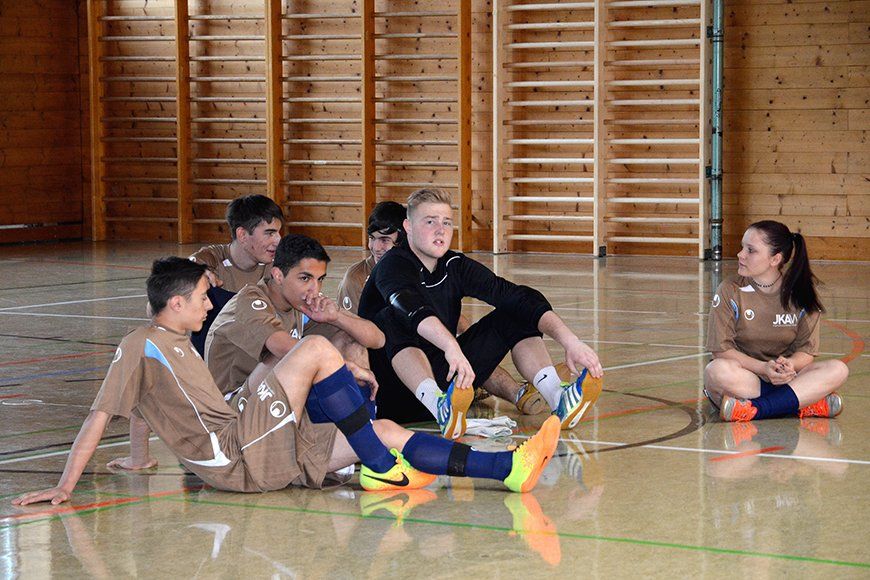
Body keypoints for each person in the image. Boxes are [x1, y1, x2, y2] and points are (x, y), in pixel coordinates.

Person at [12, 258, 561, 507]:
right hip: (234, 453)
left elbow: (140, 409)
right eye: (202, 297)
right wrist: (65, 486)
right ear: (175, 303)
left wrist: (138, 459)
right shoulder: (141, 343)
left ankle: (506, 468)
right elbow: (101, 413)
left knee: (387, 428)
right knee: (316, 351)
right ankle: (380, 468)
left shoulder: (171, 343)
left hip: (253, 444)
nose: (208, 304)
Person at [358, 188, 604, 439]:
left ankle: (557, 396)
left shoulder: (453, 265)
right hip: (392, 395)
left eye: (446, 222)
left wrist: (570, 341)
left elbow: (517, 296)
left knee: (516, 310)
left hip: (448, 383)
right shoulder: (392, 265)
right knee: (391, 317)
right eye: (430, 222)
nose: (440, 230)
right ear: (408, 227)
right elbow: (410, 308)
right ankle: (438, 405)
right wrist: (451, 345)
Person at [338, 201, 547, 416]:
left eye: (384, 240)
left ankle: (518, 392)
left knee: (476, 335)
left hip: (433, 361)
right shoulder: (357, 278)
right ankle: (444, 397)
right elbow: (354, 341)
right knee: (394, 320)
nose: (375, 247)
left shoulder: (427, 267)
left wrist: (472, 350)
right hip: (390, 373)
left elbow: (455, 322)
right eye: (372, 238)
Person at [205, 234, 385, 399]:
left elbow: (378, 340)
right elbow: (283, 349)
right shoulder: (249, 301)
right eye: (305, 278)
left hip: (271, 399)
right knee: (294, 354)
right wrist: (348, 368)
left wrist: (336, 316)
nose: (315, 289)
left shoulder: (301, 301)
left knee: (349, 338)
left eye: (320, 279)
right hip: (231, 407)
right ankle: (352, 420)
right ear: (278, 275)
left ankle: (364, 418)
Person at [704, 220, 850, 422]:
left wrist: (790, 364)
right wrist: (763, 368)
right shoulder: (730, 290)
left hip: (787, 378)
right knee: (716, 371)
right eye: (742, 247)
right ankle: (800, 402)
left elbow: (806, 351)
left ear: (775, 259)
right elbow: (720, 351)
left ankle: (755, 409)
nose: (740, 254)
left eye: (750, 250)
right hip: (747, 377)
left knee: (838, 370)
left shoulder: (800, 292)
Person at [188, 194, 285, 354]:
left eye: (278, 233)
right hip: (213, 360)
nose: (278, 240)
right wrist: (195, 275)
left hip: (256, 360)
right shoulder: (212, 258)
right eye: (270, 233)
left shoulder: (277, 268)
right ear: (242, 235)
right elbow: (182, 271)